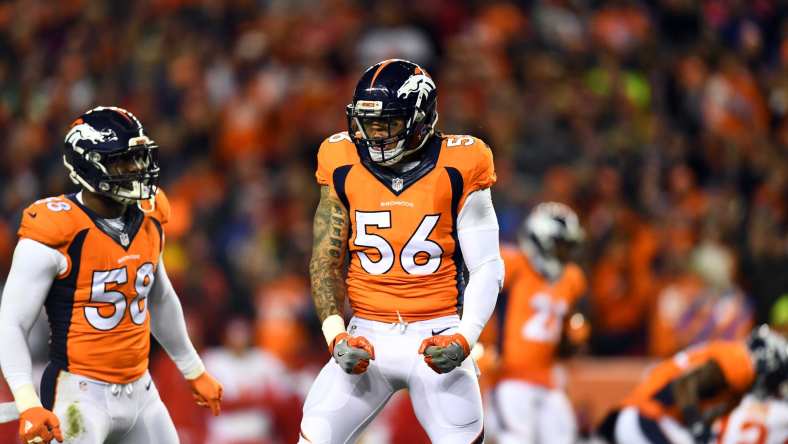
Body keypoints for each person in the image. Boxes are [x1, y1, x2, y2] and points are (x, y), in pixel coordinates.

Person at [298, 59, 504, 444]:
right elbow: (325, 261)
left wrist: (464, 338)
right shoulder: (340, 160)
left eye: (386, 123)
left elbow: (487, 266)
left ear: (420, 119)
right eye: (366, 122)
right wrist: (336, 336)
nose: (372, 135)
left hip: (438, 332)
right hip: (366, 335)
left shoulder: (462, 163)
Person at [0, 106, 223, 444]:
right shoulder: (56, 227)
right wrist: (28, 402)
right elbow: (11, 322)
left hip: (141, 390)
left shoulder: (150, 215)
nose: (135, 169)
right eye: (122, 160)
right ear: (87, 164)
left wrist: (193, 368)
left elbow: (158, 297)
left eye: (137, 157)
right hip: (78, 394)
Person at [490, 202, 587, 444]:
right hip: (509, 375)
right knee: (515, 439)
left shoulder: (572, 279)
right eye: (561, 246)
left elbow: (570, 329)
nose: (565, 254)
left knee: (564, 437)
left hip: (548, 377)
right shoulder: (514, 264)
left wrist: (576, 334)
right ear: (543, 240)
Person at [597, 325, 788, 444]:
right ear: (769, 362)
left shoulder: (737, 370)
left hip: (649, 417)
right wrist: (698, 430)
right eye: (778, 376)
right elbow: (684, 385)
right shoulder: (741, 363)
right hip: (649, 417)